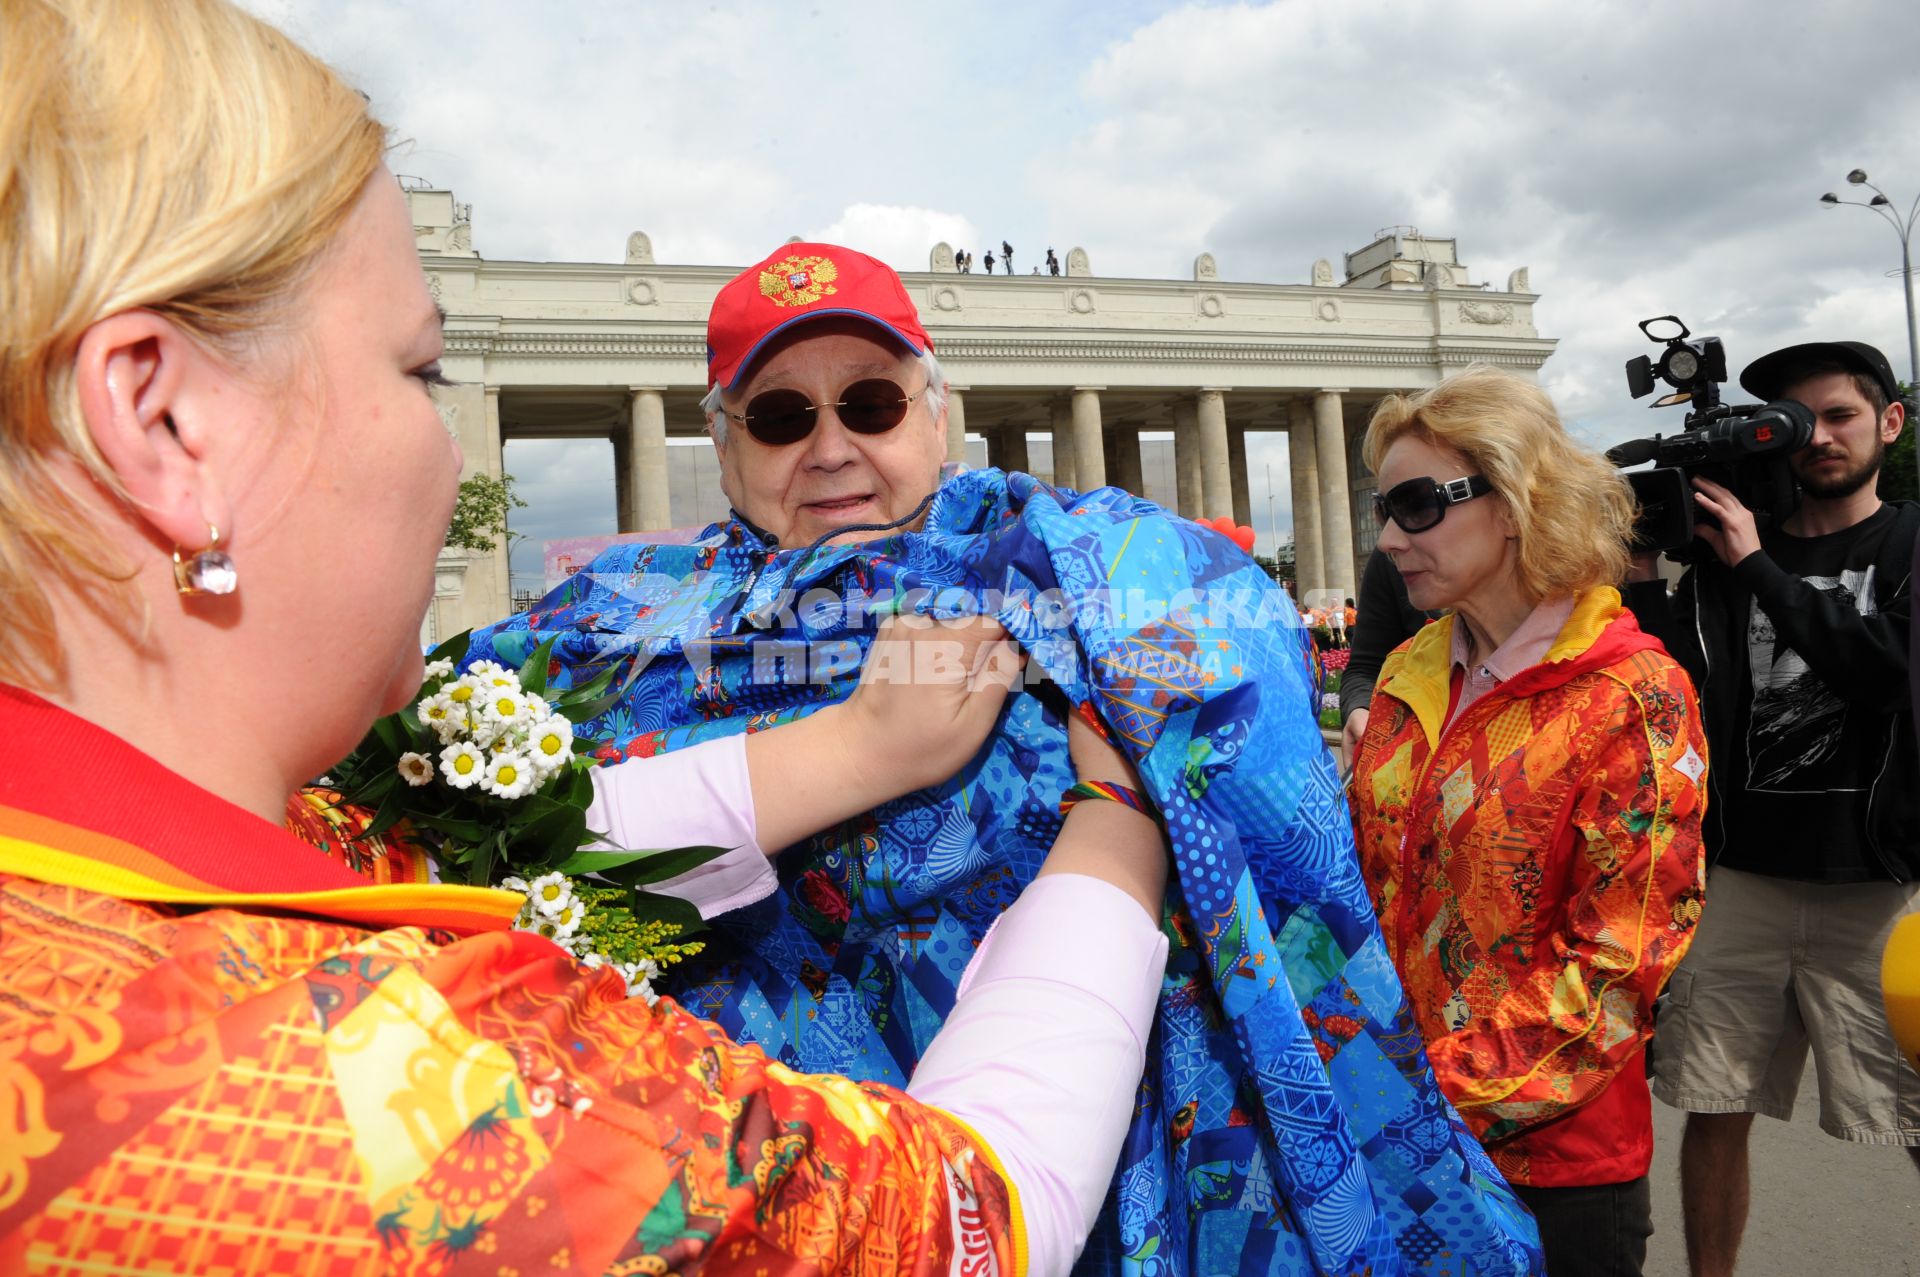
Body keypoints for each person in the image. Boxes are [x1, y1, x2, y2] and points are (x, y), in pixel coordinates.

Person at [0, 4, 1173, 1274]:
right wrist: (1124, 820)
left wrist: (852, 753)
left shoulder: (206, 854)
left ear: (939, 413)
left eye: (875, 403)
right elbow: (963, 1219)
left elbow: (502, 872)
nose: (457, 457)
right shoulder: (376, 1089)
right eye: (422, 372)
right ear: (163, 424)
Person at [466, 246, 1546, 1272]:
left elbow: (1226, 645)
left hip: (1083, 1147)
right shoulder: (616, 626)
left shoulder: (1087, 566)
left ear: (942, 418)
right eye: (783, 416)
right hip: (758, 1182)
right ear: (726, 445)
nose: (832, 445)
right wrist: (853, 750)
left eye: (873, 403)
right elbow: (470, 832)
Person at [1347, 367, 1708, 1276]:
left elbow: (1620, 966)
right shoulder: (1409, 672)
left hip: (1553, 1169)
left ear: (1514, 501)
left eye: (1417, 505)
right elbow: (1361, 885)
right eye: (1384, 508)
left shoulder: (1635, 694)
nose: (1388, 538)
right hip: (1392, 1139)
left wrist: (1420, 1097)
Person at [1624, 339, 1920, 1277]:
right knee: (1714, 1106)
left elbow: (1887, 674)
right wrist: (1638, 572)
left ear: (1889, 422)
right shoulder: (1724, 557)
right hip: (1741, 876)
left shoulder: (1909, 541)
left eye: (1840, 415)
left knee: (1913, 1106)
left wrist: (1756, 565)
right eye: (1801, 423)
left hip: (1876, 881)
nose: (1821, 438)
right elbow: (1668, 673)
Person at [1340, 547, 1433, 756]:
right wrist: (1361, 707)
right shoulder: (1388, 561)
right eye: (1385, 515)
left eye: (1417, 512)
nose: (1387, 539)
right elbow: (1366, 667)